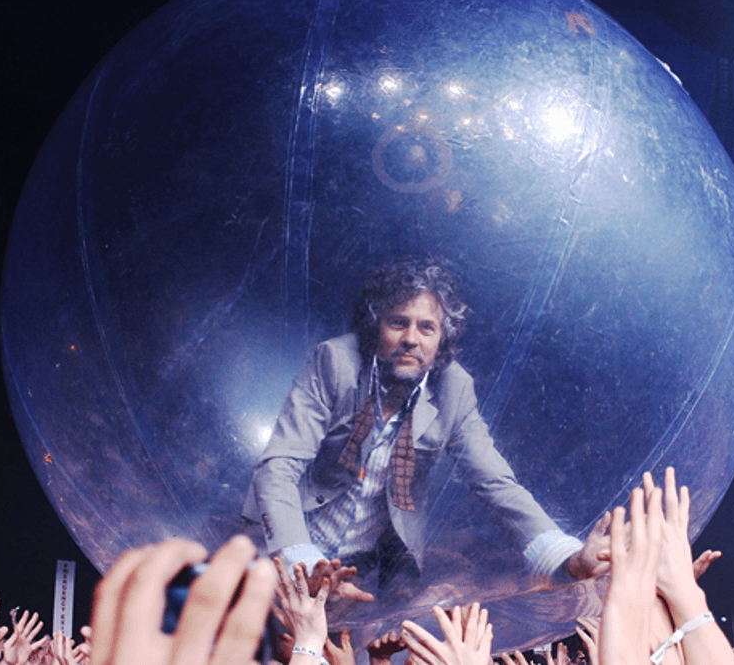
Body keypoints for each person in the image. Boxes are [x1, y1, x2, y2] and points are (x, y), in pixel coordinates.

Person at [243, 256, 607, 601]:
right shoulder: (335, 360)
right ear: (375, 326)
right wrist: (301, 559)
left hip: (362, 574)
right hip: (286, 547)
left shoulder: (455, 389)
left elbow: (496, 484)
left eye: (427, 328)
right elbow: (279, 465)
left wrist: (569, 558)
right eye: (398, 322)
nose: (411, 339)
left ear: (441, 341)